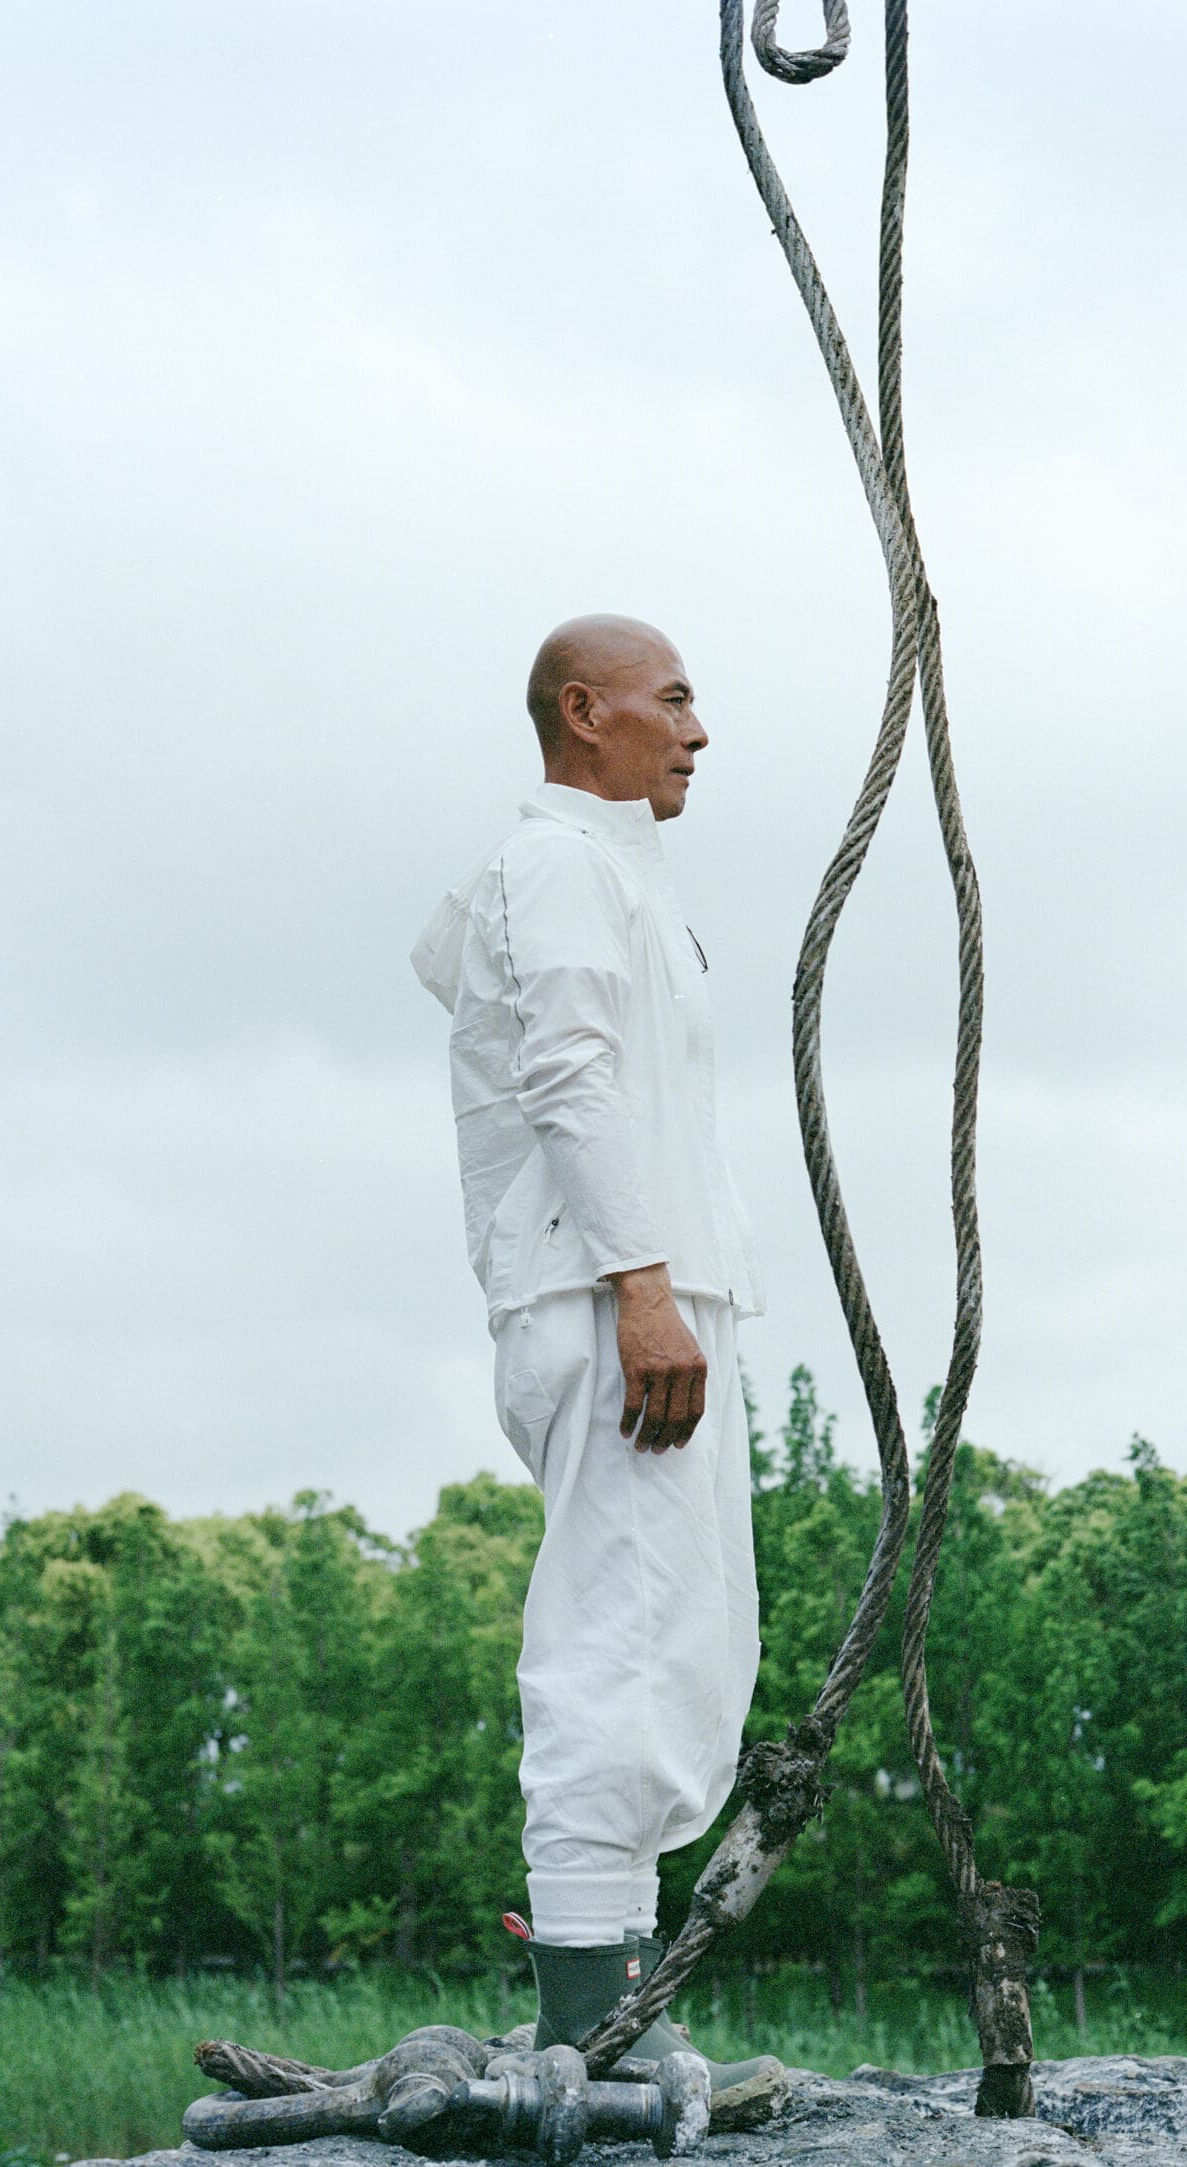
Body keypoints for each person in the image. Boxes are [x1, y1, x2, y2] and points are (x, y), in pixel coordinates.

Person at [411, 614, 780, 2103]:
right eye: (673, 700)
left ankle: (625, 2016)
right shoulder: (555, 863)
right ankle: (584, 2024)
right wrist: (639, 1290)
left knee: (678, 1641)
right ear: (586, 713)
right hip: (613, 1290)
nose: (697, 731)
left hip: (657, 1287)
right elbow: (561, 1066)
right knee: (615, 1634)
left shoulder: (609, 871)